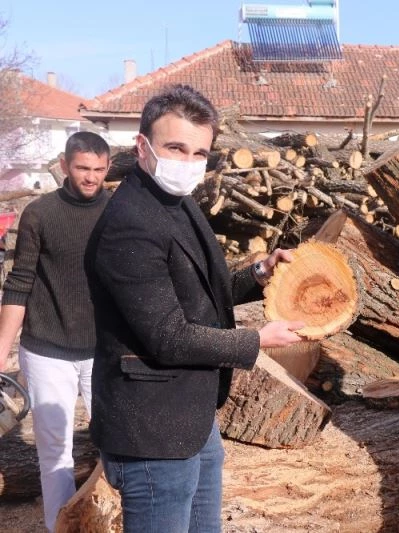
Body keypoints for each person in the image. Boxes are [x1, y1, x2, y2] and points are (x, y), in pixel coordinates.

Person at [85, 84, 305, 532]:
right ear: (143, 146)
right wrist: (256, 341)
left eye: (199, 153)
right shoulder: (130, 224)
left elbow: (203, 289)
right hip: (150, 432)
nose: (187, 163)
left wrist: (261, 272)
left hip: (190, 416)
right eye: (176, 147)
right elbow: (168, 337)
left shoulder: (176, 204)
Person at [0, 131, 110, 532]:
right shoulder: (39, 213)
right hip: (46, 349)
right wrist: (1, 350)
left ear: (108, 168)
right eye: (83, 168)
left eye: (99, 169)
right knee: (55, 452)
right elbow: (20, 282)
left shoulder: (117, 212)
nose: (90, 177)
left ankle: (115, 522)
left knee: (116, 442)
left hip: (104, 349)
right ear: (65, 165)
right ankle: (59, 527)